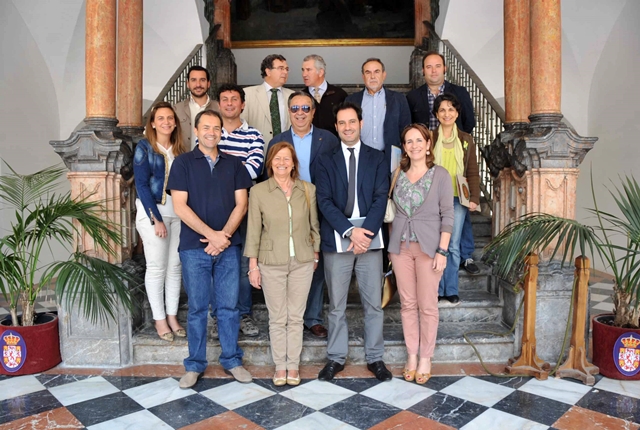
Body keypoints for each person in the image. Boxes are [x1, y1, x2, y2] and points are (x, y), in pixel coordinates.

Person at [168, 110, 254, 388]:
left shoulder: (234, 164)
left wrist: (223, 236)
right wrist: (212, 236)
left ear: (221, 132)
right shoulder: (182, 163)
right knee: (196, 309)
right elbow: (180, 206)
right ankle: (194, 365)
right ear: (196, 130)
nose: (211, 132)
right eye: (206, 127)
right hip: (194, 248)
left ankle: (232, 360)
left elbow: (242, 204)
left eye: (216, 128)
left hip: (228, 247)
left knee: (229, 307)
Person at [315, 102, 392, 382]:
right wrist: (350, 231)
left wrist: (365, 233)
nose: (347, 127)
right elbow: (324, 200)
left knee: (373, 304)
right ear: (336, 127)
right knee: (336, 305)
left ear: (361, 123)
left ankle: (375, 357)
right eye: (342, 123)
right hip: (338, 240)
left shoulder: (377, 158)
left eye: (352, 122)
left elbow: (381, 197)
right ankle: (336, 357)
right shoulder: (325, 159)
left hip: (370, 239)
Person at [262, 91, 340, 338]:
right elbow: (268, 177)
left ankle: (313, 317)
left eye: (306, 108)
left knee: (314, 263)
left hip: (320, 207)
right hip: (285, 209)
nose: (300, 113)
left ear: (313, 112)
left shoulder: (328, 139)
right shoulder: (278, 141)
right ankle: (286, 317)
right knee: (286, 262)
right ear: (289, 112)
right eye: (295, 108)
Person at [245, 142, 321, 386]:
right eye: (277, 158)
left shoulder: (307, 190)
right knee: (277, 317)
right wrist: (253, 266)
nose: (281, 163)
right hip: (270, 261)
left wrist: (315, 255)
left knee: (296, 317)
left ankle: (293, 366)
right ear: (270, 162)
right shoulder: (258, 192)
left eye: (286, 158)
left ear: (293, 163)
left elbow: (314, 226)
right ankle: (280, 366)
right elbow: (253, 231)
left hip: (302, 260)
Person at [388, 123, 453, 384]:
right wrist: (392, 245)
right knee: (407, 304)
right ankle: (412, 356)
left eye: (419, 140)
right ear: (404, 147)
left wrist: (442, 250)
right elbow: (391, 213)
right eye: (409, 141)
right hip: (400, 249)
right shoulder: (396, 174)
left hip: (429, 249)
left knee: (427, 305)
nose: (414, 145)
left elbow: (448, 215)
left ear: (428, 144)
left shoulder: (440, 175)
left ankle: (426, 357)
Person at [406, 52, 480, 275]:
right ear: (422, 71)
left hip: (455, 159)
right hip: (430, 159)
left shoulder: (460, 92)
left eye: (437, 66)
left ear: (445, 68)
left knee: (460, 216)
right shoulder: (413, 96)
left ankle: (466, 255)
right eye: (429, 67)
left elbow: (469, 120)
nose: (433, 70)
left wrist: (455, 140)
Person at [209, 83, 265, 339]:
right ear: (218, 104)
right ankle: (217, 316)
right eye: (225, 99)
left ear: (243, 104)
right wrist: (234, 171)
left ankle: (243, 314)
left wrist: (223, 171)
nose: (229, 103)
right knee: (214, 263)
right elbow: (205, 167)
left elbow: (254, 169)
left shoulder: (254, 135)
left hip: (245, 209)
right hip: (211, 208)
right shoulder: (209, 132)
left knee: (243, 264)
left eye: (234, 99)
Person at [133, 102, 187, 342]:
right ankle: (159, 319)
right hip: (154, 213)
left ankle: (172, 316)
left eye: (170, 118)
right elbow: (142, 185)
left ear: (175, 122)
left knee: (175, 267)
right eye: (161, 118)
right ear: (153, 123)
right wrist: (156, 219)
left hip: (179, 214)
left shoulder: (180, 150)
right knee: (157, 268)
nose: (166, 122)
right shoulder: (145, 147)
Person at [431, 94, 480, 306]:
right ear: (436, 114)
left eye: (451, 109)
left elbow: (472, 171)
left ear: (457, 113)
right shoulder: (430, 138)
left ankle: (450, 290)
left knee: (452, 245)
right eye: (442, 110)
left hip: (458, 199)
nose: (447, 113)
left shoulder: (466, 140)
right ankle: (435, 289)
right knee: (435, 243)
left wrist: (474, 198)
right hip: (433, 199)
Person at [346, 58, 411, 172]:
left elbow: (406, 131)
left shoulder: (399, 99)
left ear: (384, 75)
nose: (372, 76)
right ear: (363, 77)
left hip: (390, 158)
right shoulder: (351, 100)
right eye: (368, 72)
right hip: (360, 158)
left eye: (377, 72)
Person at [241, 54, 295, 142]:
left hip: (286, 147)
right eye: (281, 68)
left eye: (287, 69)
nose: (285, 72)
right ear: (268, 71)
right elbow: (242, 124)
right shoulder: (248, 94)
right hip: (257, 147)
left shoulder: (293, 95)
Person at [174, 66, 220, 149]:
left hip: (211, 156)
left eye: (202, 80)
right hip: (184, 156)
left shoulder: (219, 108)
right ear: (188, 84)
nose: (198, 84)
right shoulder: (177, 109)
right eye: (193, 80)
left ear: (208, 83)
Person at [301, 54, 347, 137]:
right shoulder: (301, 96)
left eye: (308, 70)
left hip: (334, 142)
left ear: (320, 72)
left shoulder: (339, 94)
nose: (304, 74)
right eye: (303, 70)